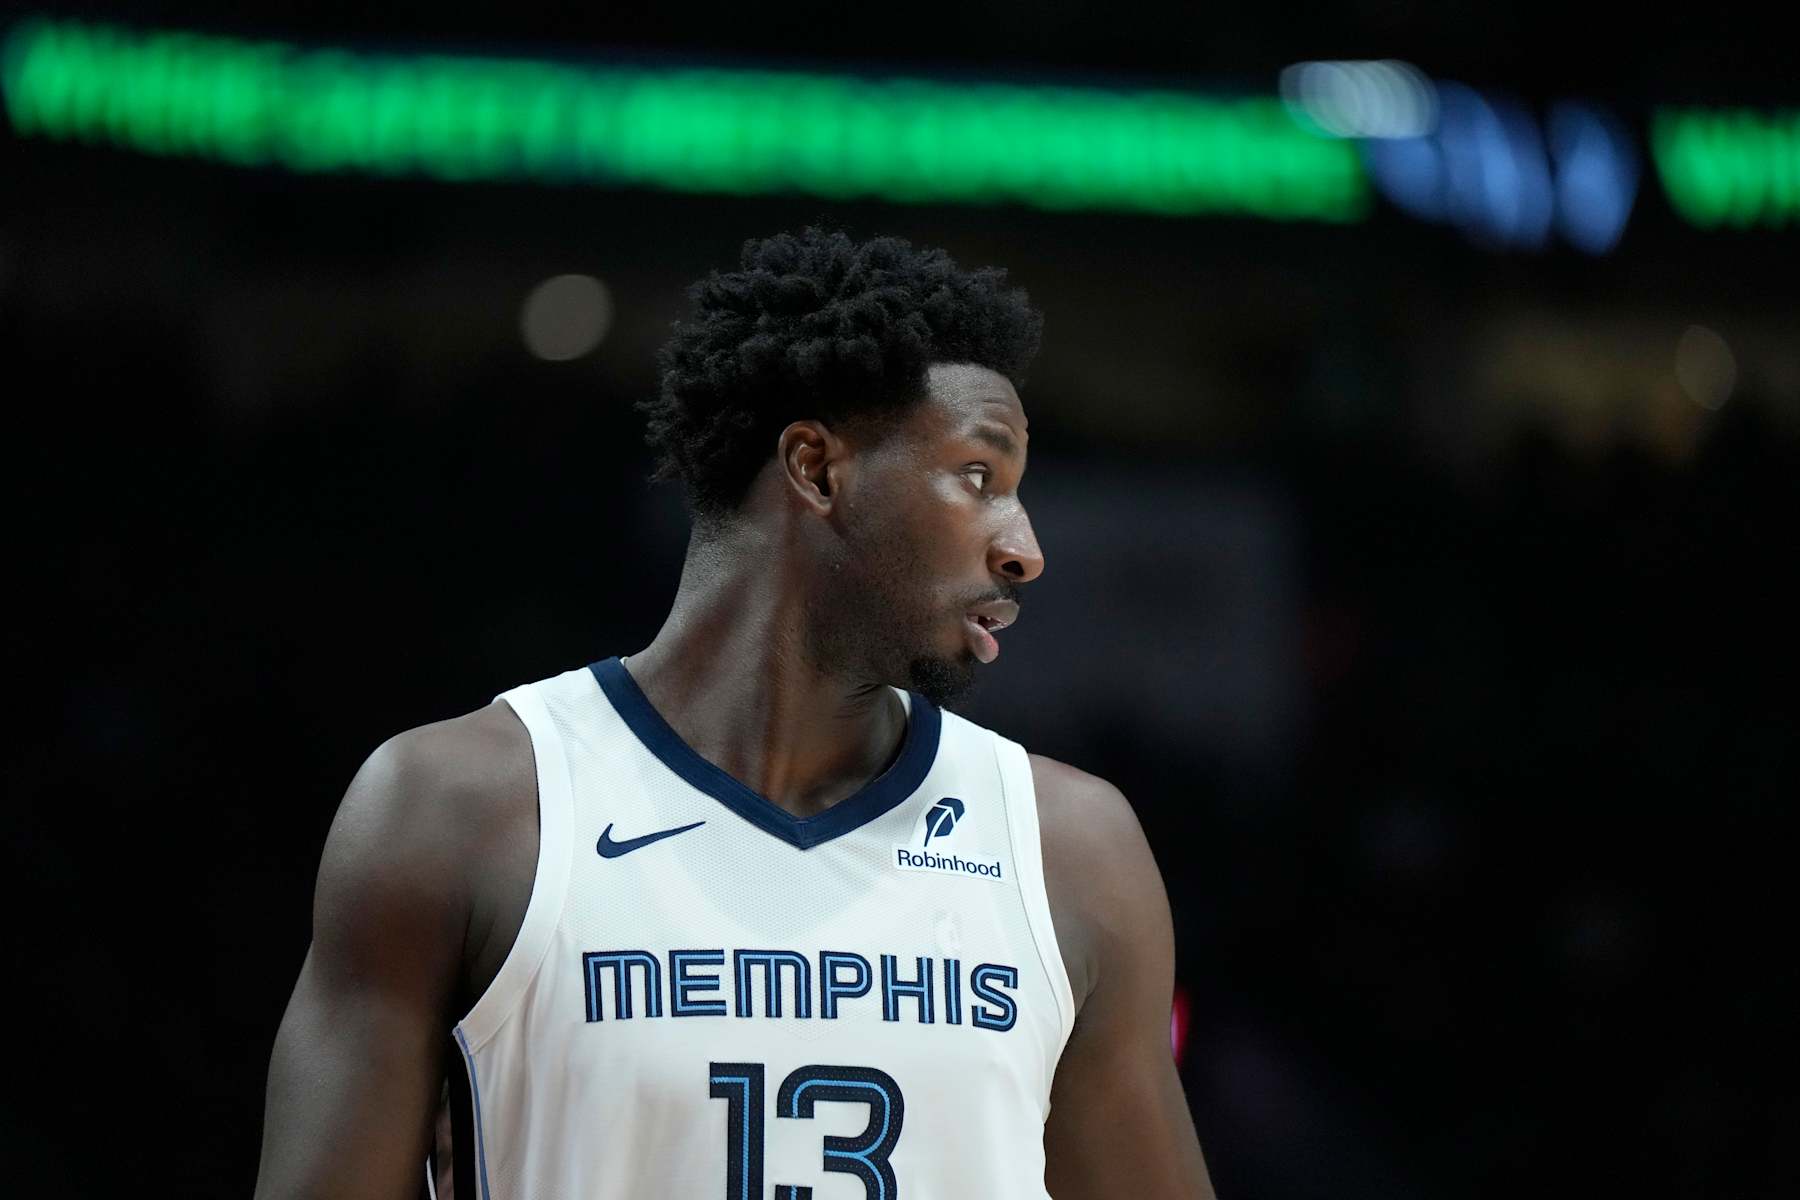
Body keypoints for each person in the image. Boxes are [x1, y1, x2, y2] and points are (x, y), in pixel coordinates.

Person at [254, 228, 1215, 1199]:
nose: (1025, 549)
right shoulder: (460, 811)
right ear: (816, 467)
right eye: (979, 478)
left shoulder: (1071, 853)